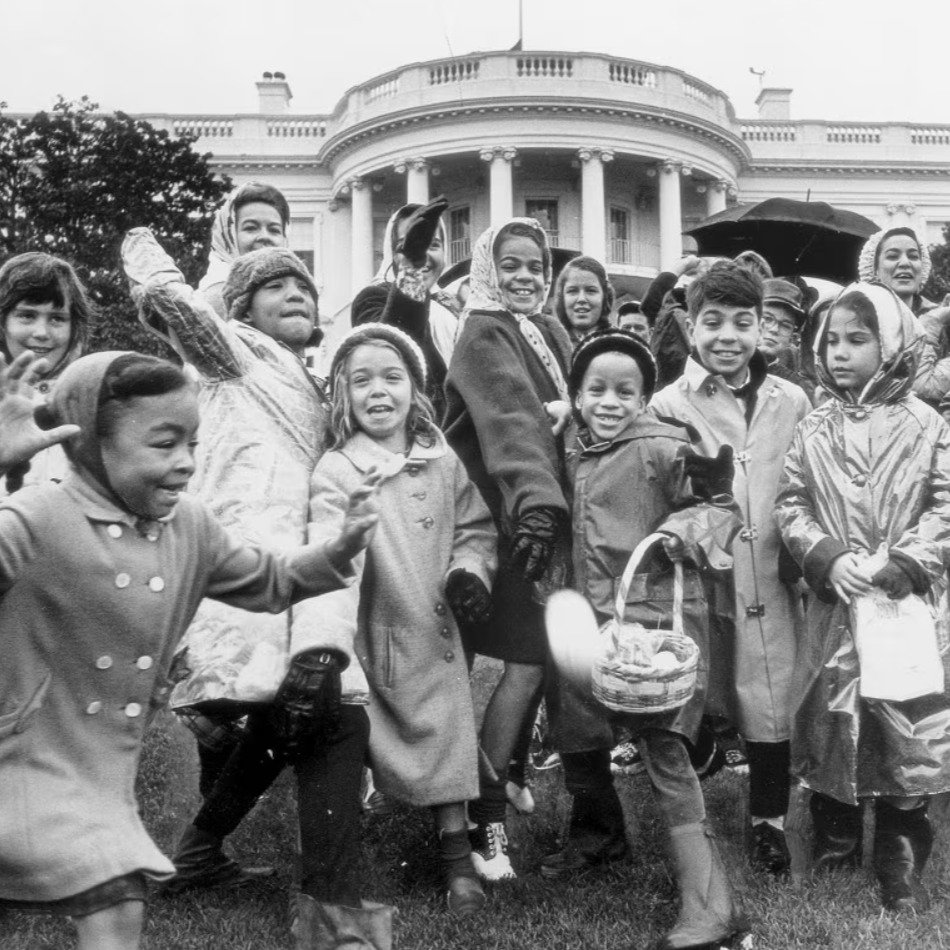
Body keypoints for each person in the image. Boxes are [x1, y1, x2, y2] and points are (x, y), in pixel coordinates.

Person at [0, 349, 378, 950]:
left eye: (193, 446)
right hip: (16, 756)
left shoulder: (190, 527)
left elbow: (271, 580)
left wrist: (337, 551)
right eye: (163, 445)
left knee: (116, 891)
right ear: (91, 444)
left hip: (98, 770)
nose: (185, 465)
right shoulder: (37, 516)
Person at [121, 232, 330, 892]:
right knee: (286, 699)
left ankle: (205, 849)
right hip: (239, 563)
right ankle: (197, 847)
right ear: (241, 310)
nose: (295, 292)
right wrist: (142, 247)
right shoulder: (238, 354)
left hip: (288, 569)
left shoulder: (314, 381)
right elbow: (169, 301)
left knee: (267, 700)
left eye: (304, 286)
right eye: (275, 285)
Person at [542, 327, 746, 950]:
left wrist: (683, 529)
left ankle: (708, 900)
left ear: (644, 397)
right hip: (587, 618)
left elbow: (716, 505)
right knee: (577, 727)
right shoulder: (569, 447)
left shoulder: (662, 446)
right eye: (595, 389)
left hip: (649, 624)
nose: (610, 400)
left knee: (662, 747)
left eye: (624, 390)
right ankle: (600, 841)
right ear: (576, 396)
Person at [310, 323, 497, 917]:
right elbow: (332, 552)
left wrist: (471, 571)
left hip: (438, 624)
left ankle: (455, 859)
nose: (378, 391)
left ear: (415, 389)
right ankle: (354, 846)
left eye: (392, 377)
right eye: (361, 380)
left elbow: (473, 527)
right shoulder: (338, 472)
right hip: (380, 631)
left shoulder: (440, 460)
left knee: (443, 730)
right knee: (392, 736)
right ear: (342, 394)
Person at [775, 282, 950, 912]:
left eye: (859, 339)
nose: (842, 352)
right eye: (833, 341)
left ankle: (900, 853)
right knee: (832, 713)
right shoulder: (813, 426)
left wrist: (912, 559)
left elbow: (945, 501)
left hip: (907, 606)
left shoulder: (928, 424)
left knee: (908, 718)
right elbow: (790, 502)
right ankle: (835, 832)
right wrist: (824, 554)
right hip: (837, 606)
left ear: (893, 343)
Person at [651, 262, 811, 877]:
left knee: (771, 695)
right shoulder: (668, 402)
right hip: (706, 577)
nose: (728, 337)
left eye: (743, 324)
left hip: (772, 570)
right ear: (691, 326)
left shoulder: (790, 399)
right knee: (698, 691)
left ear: (760, 327)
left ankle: (768, 821)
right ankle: (691, 820)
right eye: (712, 323)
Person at [444, 217, 573, 880]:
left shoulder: (548, 329)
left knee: (526, 665)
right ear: (489, 268)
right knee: (453, 669)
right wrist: (539, 509)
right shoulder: (482, 329)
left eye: (535, 265)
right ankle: (473, 813)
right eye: (512, 264)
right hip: (488, 524)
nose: (526, 277)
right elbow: (511, 421)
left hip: (533, 519)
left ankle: (488, 799)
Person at [352, 197, 460, 417]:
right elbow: (390, 346)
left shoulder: (451, 307)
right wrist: (411, 270)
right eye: (409, 244)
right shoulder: (372, 297)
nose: (423, 254)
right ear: (393, 253)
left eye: (433, 245)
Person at [0, 252, 92, 494]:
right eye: (27, 315)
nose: (41, 332)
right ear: (3, 323)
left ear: (74, 328)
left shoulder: (93, 399)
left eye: (57, 319)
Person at [857, 226, 950, 410]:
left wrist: (932, 323)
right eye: (892, 256)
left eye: (913, 256)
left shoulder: (943, 322)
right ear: (874, 269)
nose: (905, 263)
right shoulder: (857, 320)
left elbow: (926, 389)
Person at [198, 181, 291, 317]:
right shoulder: (217, 297)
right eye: (251, 228)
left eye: (274, 230)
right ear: (228, 237)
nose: (265, 236)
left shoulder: (296, 293)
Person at [756, 278, 817, 404]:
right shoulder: (728, 368)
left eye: (785, 325)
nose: (774, 329)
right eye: (767, 318)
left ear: (792, 338)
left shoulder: (798, 388)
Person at [554, 255, 614, 347]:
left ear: (605, 297)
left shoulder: (622, 345)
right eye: (572, 291)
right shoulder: (549, 344)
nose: (581, 299)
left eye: (591, 291)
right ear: (562, 297)